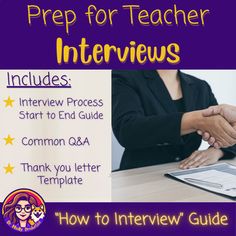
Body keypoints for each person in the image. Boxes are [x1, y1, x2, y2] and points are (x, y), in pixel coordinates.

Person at [112, 70, 236, 170]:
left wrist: (217, 152)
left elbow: (228, 132)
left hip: (188, 175)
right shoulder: (125, 77)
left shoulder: (200, 87)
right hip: (140, 177)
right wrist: (195, 120)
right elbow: (127, 130)